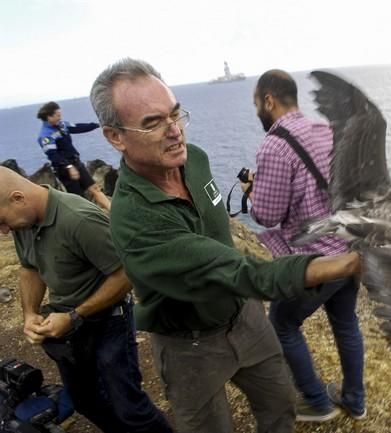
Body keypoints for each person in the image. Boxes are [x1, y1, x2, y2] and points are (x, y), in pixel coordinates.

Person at [89, 58, 361, 433]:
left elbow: (225, 241)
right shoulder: (135, 221)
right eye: (153, 122)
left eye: (175, 114)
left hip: (246, 316)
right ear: (115, 136)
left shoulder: (194, 159)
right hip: (190, 345)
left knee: (280, 404)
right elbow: (238, 270)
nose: (174, 132)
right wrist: (347, 262)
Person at [0, 166, 172, 433]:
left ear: (18, 198)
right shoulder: (25, 220)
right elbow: (29, 268)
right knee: (84, 400)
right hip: (68, 325)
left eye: (2, 221)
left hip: (108, 321)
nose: (4, 231)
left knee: (129, 406)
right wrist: (30, 314)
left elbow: (126, 273)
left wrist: (75, 315)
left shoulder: (79, 219)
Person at [241, 70, 365, 422]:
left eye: (256, 104)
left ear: (269, 100)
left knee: (281, 323)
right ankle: (355, 399)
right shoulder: (325, 131)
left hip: (314, 260)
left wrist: (253, 191)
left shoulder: (275, 145)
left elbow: (267, 214)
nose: (257, 112)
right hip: (347, 248)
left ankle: (316, 401)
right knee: (345, 323)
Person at [36, 101, 111, 211]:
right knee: (79, 198)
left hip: (76, 163)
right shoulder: (45, 135)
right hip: (64, 169)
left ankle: (112, 211)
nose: (60, 117)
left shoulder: (62, 125)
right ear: (49, 117)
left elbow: (78, 127)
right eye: (57, 115)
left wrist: (97, 125)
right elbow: (53, 155)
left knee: (94, 188)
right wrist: (69, 167)